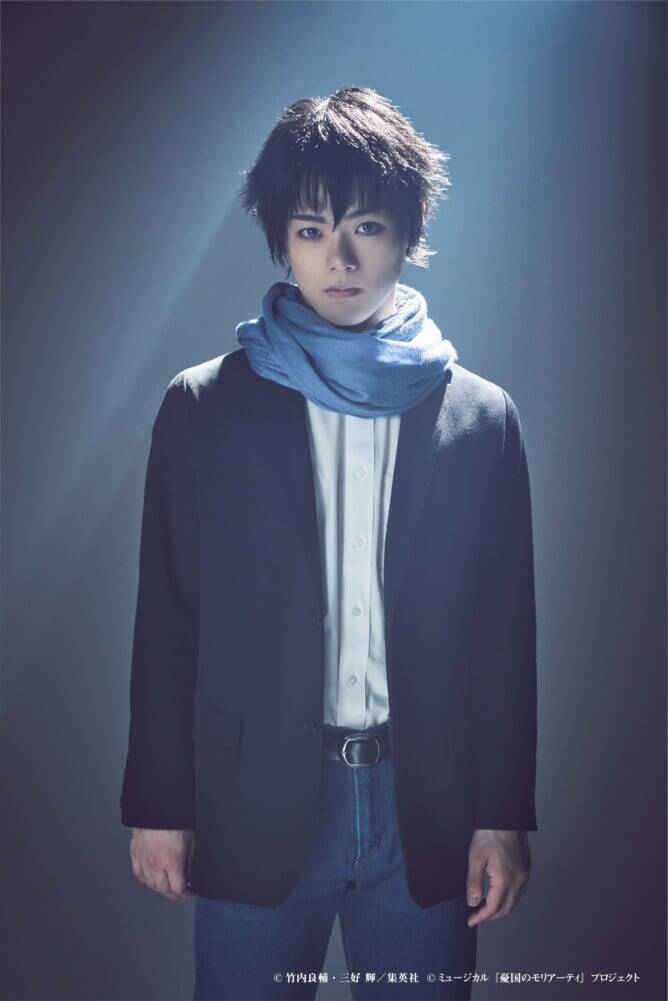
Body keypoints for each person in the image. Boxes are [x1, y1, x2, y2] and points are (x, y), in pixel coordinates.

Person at [120, 85, 538, 1001]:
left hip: (426, 806)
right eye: (310, 230)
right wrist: (158, 805)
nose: (338, 259)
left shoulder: (480, 418)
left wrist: (503, 814)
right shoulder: (204, 406)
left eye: (366, 229)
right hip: (253, 800)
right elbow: (169, 619)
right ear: (282, 238)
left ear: (408, 233)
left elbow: (505, 636)